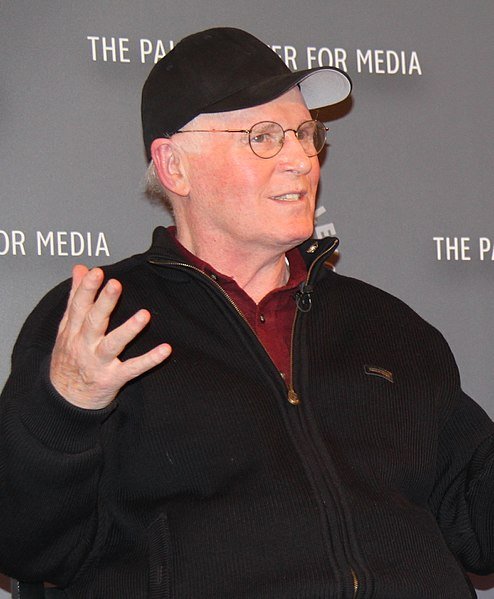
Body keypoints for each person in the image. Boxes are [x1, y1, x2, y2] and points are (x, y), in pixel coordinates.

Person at [0, 26, 493, 599]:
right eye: (264, 137)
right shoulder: (99, 321)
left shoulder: (387, 327)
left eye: (306, 134)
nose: (302, 160)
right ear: (174, 166)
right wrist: (69, 409)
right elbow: (27, 547)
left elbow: (476, 521)